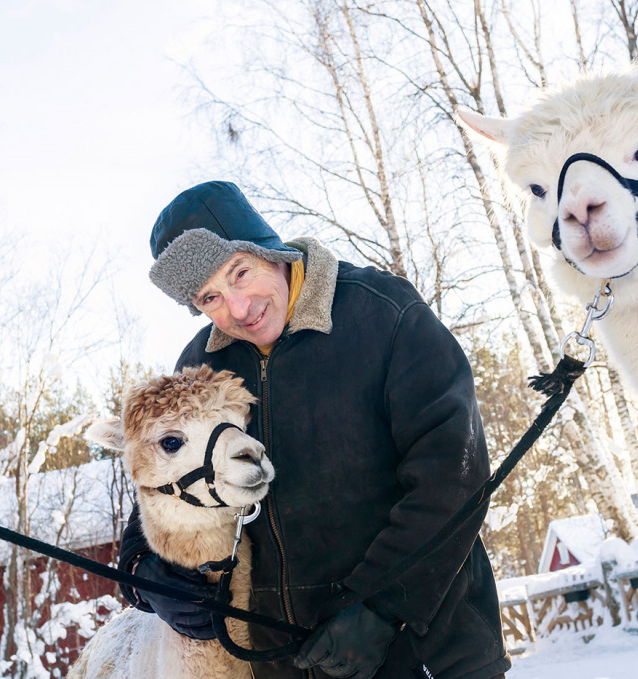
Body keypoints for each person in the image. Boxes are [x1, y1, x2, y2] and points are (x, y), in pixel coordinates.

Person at [119, 180, 511, 678]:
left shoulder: (384, 313)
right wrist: (142, 572)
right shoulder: (203, 363)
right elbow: (162, 474)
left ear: (268, 249)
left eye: (240, 273)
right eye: (210, 297)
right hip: (286, 662)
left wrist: (382, 606)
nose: (238, 309)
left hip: (427, 649)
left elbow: (454, 475)